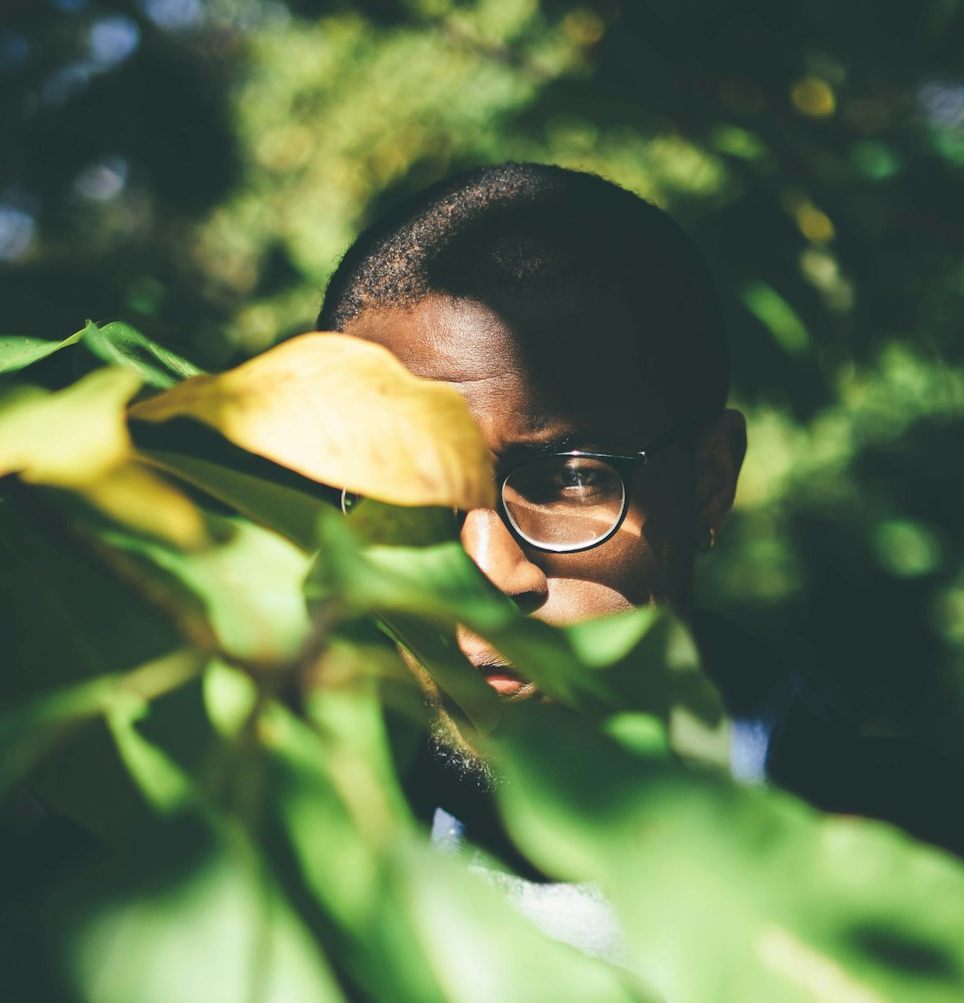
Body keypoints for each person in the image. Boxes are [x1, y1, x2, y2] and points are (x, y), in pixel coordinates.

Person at [318, 161, 964, 859]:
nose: (487, 571)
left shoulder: (925, 865)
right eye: (402, 492)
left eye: (565, 480)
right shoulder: (272, 873)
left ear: (708, 482)